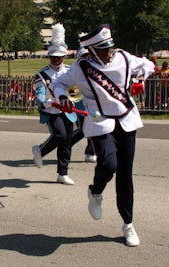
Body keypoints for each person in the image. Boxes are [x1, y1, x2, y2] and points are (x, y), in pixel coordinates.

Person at [51, 24, 155, 246]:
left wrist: (140, 80)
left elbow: (148, 66)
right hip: (100, 121)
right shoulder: (82, 66)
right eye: (103, 48)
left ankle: (128, 223)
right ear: (91, 50)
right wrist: (63, 98)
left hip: (126, 120)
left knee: (125, 174)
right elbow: (59, 82)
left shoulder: (123, 58)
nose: (109, 52)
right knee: (108, 164)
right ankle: (95, 192)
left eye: (109, 46)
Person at [32, 23, 76, 185]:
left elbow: (76, 90)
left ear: (64, 56)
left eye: (60, 57)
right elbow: (40, 94)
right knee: (60, 135)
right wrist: (47, 103)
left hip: (68, 110)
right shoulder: (42, 74)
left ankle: (62, 173)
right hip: (52, 110)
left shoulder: (71, 71)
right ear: (49, 56)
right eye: (53, 57)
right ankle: (40, 150)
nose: (56, 60)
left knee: (67, 141)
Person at [71, 46, 97, 163]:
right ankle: (65, 144)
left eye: (88, 57)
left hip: (94, 108)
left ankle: (91, 152)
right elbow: (71, 93)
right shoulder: (75, 72)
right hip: (80, 108)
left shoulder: (94, 71)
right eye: (84, 57)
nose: (87, 59)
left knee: (95, 129)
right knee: (83, 130)